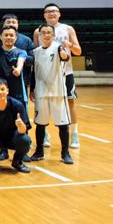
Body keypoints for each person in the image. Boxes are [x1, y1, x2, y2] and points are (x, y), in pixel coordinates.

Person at [33, 3, 83, 149]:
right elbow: (36, 53)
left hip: (65, 73)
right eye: (48, 11)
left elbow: (78, 51)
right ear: (44, 15)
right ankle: (45, 134)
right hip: (45, 74)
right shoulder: (38, 31)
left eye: (54, 11)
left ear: (59, 14)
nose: (51, 13)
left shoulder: (68, 29)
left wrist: (70, 45)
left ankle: (74, 134)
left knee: (70, 102)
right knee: (43, 104)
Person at [30, 24, 74, 164]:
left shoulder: (58, 47)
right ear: (39, 35)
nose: (46, 35)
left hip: (58, 92)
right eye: (43, 32)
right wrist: (32, 89)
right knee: (40, 124)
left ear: (53, 35)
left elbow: (65, 57)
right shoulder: (35, 52)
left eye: (49, 32)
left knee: (63, 125)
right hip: (41, 92)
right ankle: (39, 152)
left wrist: (65, 54)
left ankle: (65, 153)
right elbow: (33, 72)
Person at [0, 26, 28, 104]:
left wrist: (18, 69)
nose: (9, 37)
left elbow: (21, 61)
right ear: (1, 37)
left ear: (15, 38)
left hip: (17, 91)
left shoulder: (21, 52)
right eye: (6, 35)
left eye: (11, 35)